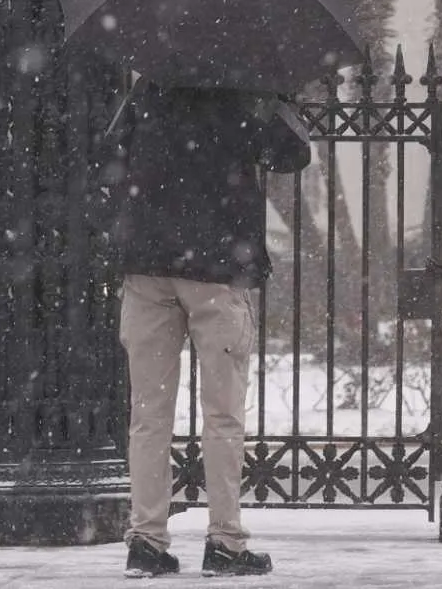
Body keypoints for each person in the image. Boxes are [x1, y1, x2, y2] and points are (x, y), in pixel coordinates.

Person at [110, 83, 311, 579]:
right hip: (217, 268)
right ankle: (224, 541)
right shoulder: (242, 92)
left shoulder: (148, 89)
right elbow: (291, 155)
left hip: (147, 266)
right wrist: (281, 100)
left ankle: (147, 542)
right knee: (223, 413)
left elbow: (108, 160)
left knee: (148, 416)